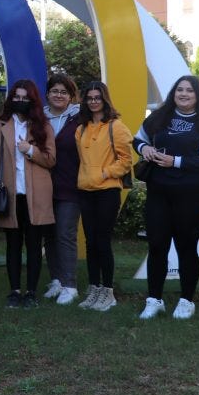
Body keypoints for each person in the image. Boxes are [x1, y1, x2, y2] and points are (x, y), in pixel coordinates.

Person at [134, 75, 199, 320]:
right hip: (158, 192)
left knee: (186, 248)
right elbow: (137, 139)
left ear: (198, 96)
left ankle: (186, 300)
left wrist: (175, 161)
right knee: (157, 245)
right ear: (174, 93)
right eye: (180, 90)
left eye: (189, 91)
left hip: (190, 194)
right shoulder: (159, 117)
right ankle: (154, 299)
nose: (183, 94)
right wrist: (145, 148)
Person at [0, 80, 56, 308]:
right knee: (12, 245)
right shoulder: (0, 126)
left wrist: (30, 150)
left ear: (32, 100)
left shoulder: (44, 126)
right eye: (17, 97)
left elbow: (51, 160)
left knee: (34, 246)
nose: (20, 101)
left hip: (37, 196)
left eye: (25, 98)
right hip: (10, 196)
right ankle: (14, 291)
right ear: (11, 99)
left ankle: (31, 292)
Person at [74, 81, 133, 312]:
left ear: (104, 99)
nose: (93, 101)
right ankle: (94, 288)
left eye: (97, 97)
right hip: (85, 191)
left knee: (102, 242)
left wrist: (104, 173)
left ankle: (108, 292)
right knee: (90, 242)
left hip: (108, 191)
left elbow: (126, 161)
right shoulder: (81, 129)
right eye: (89, 98)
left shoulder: (116, 126)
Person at [43, 74, 81, 305]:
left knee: (65, 234)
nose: (59, 95)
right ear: (47, 94)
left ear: (71, 96)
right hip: (44, 186)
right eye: (55, 91)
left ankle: (70, 285)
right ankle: (56, 280)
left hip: (71, 186)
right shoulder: (39, 119)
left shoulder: (80, 119)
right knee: (49, 236)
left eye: (63, 92)